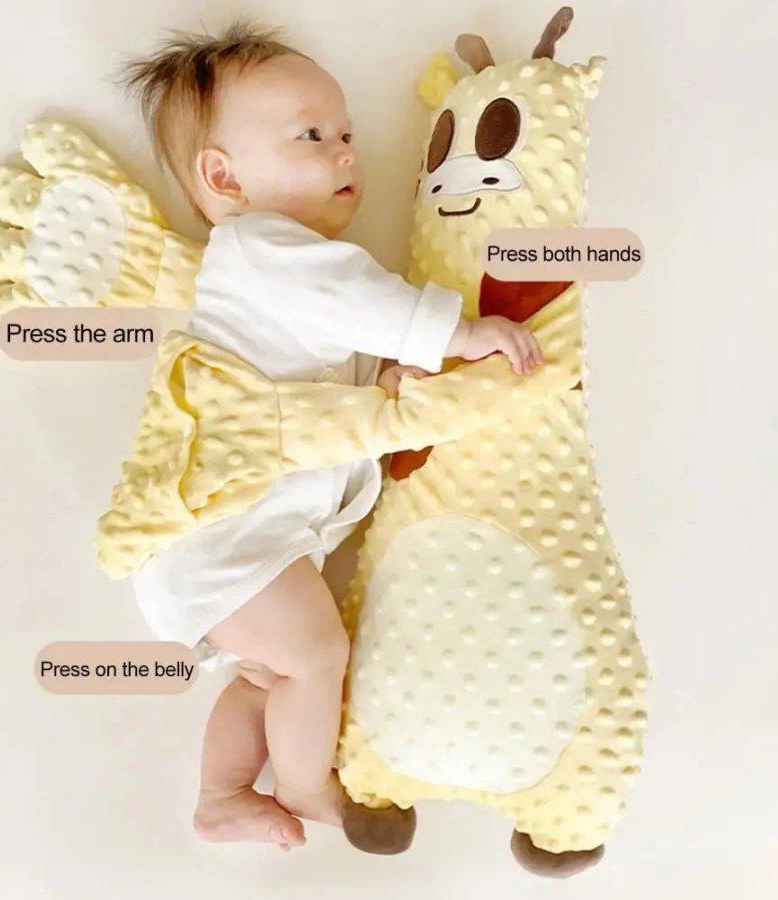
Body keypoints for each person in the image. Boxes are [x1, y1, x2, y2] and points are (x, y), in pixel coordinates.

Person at [119, 19, 543, 850]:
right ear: (225, 177)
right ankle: (307, 785)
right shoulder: (260, 248)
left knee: (269, 676)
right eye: (311, 137)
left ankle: (221, 793)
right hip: (227, 544)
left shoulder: (279, 282)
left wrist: (385, 382)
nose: (346, 153)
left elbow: (326, 376)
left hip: (235, 546)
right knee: (314, 657)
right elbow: (361, 301)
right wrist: (458, 334)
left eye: (346, 134)